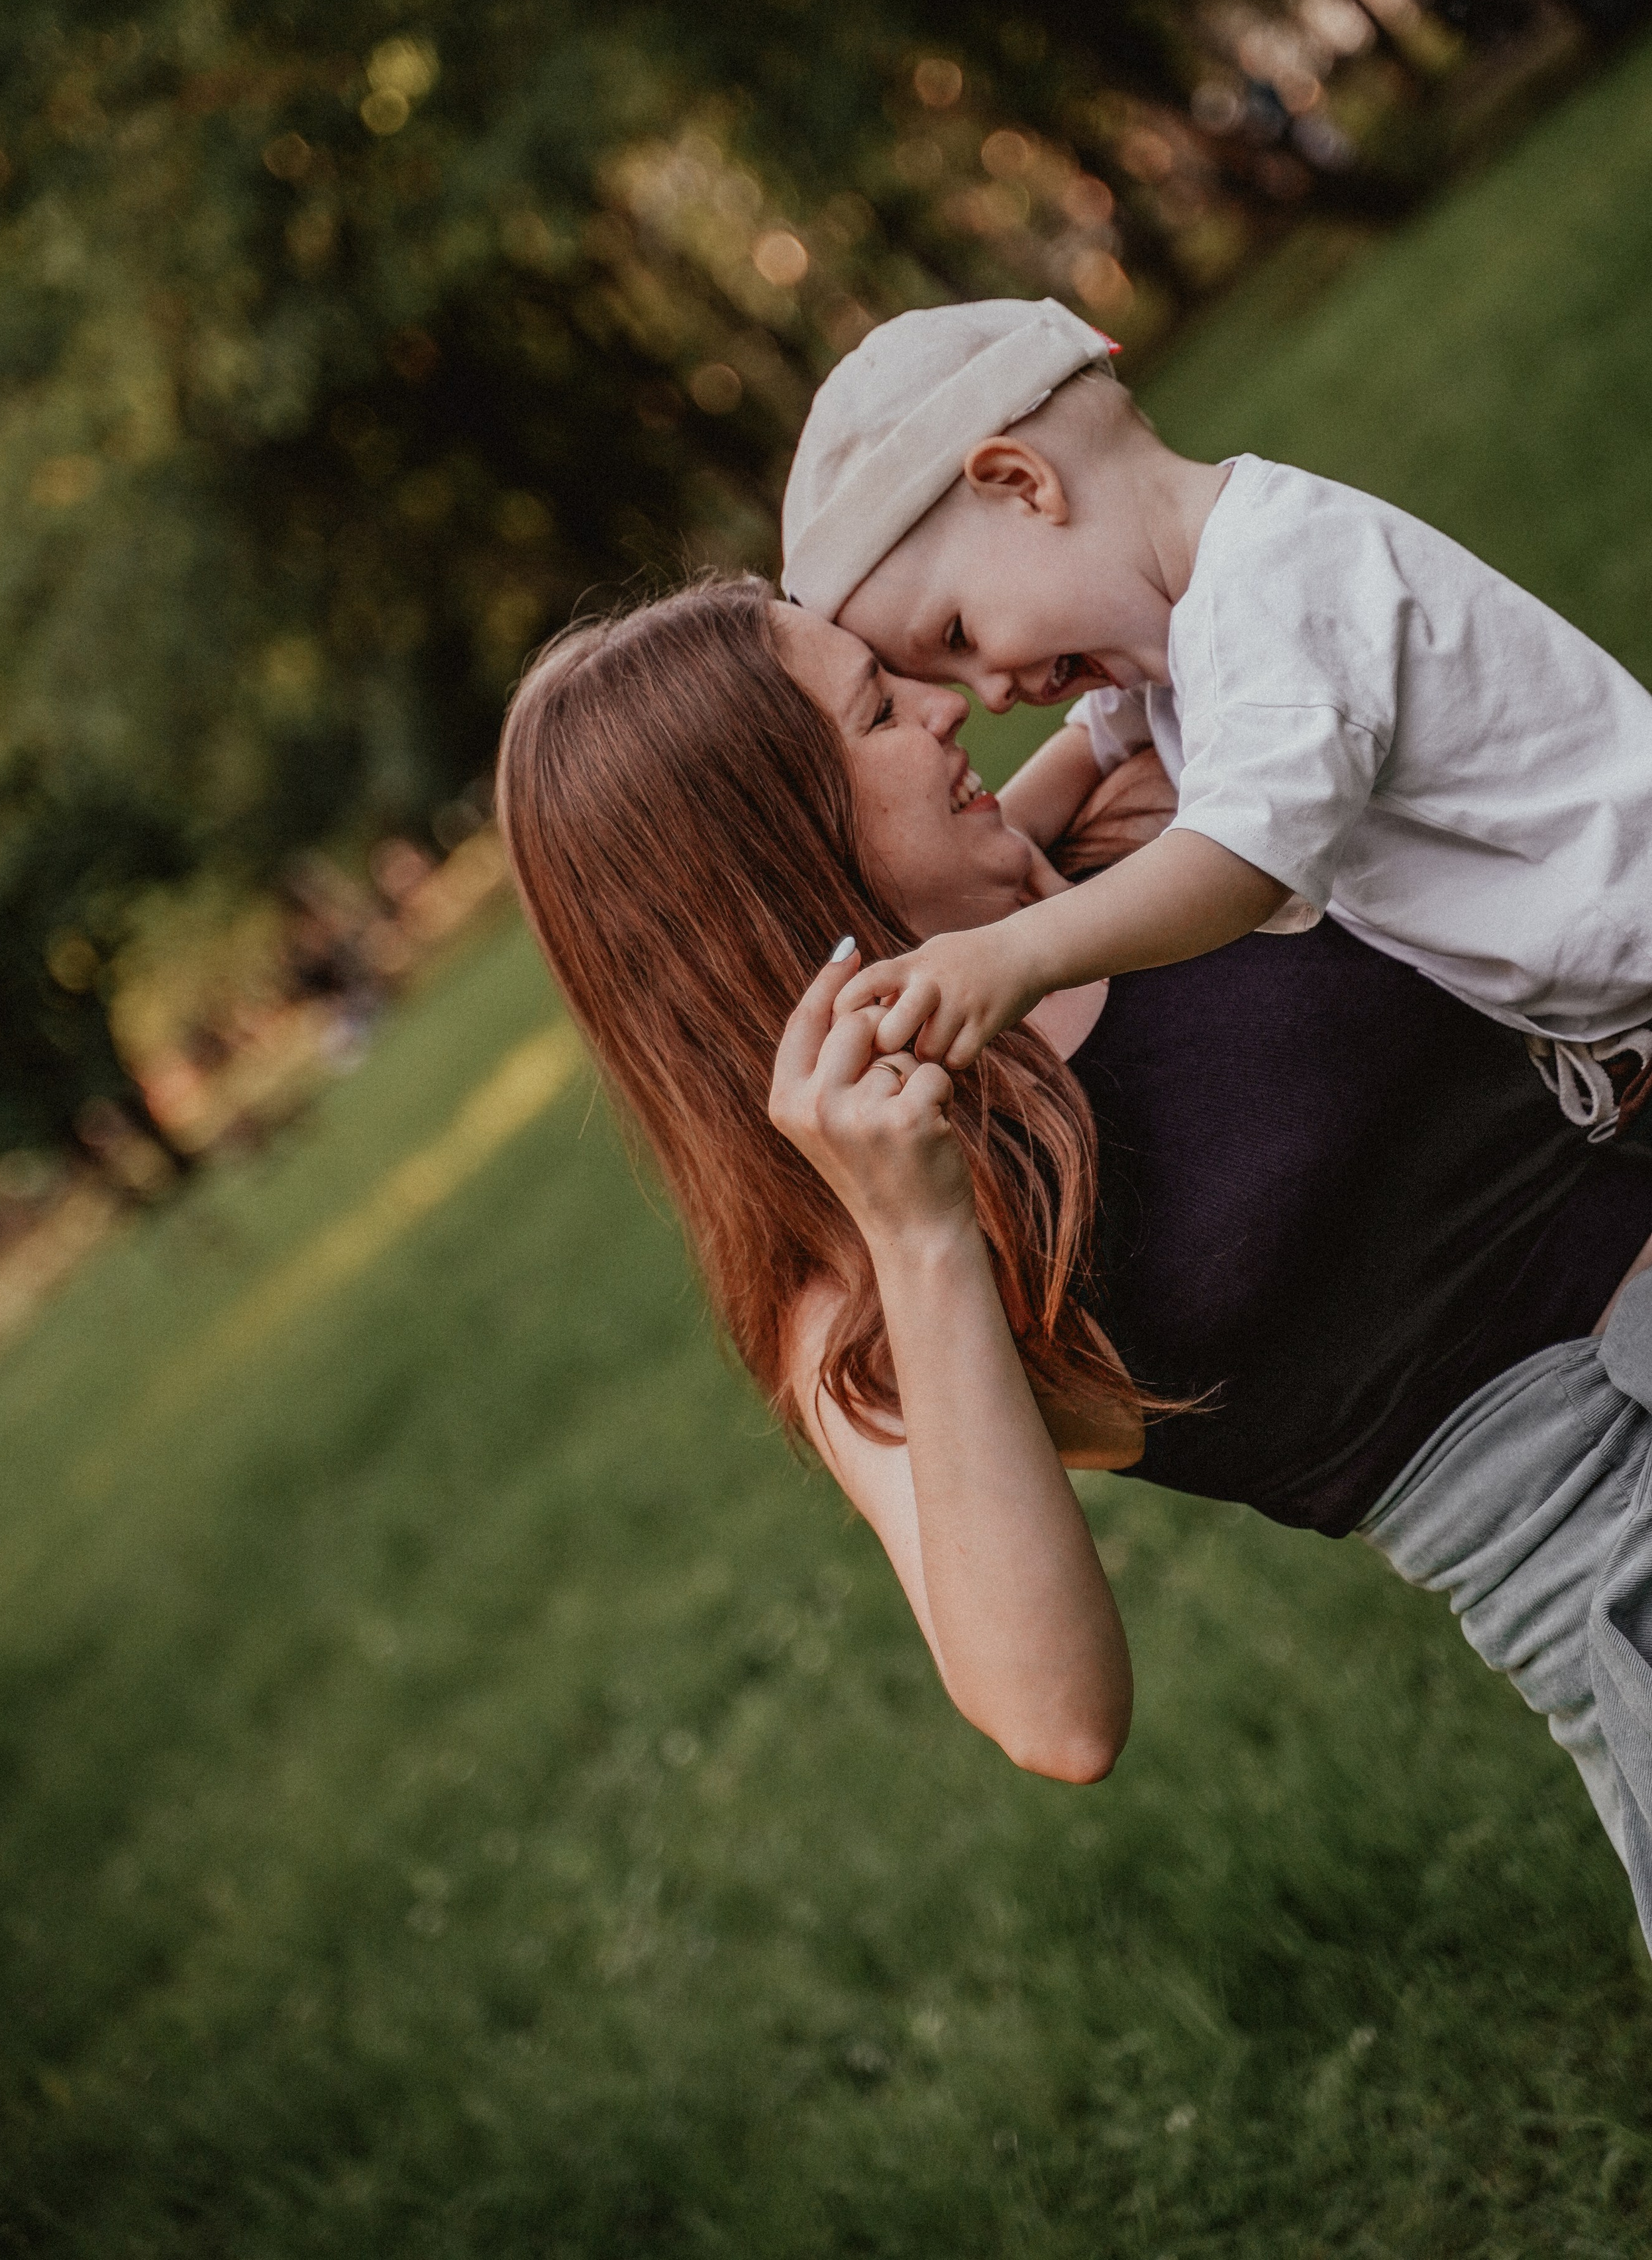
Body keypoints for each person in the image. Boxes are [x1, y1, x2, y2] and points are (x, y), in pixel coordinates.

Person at [499, 576, 1652, 1942]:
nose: (943, 708)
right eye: (878, 711)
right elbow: (1053, 1716)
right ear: (778, 848)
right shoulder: (847, 1273)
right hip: (1600, 1535)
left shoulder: (1141, 841)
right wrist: (919, 1232)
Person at [783, 298, 1652, 1138]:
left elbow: (1238, 862)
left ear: (1023, 485)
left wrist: (1020, 952)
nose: (994, 696)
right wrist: (987, 842)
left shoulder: (1275, 586)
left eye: (960, 636)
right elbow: (1094, 741)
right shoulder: (1184, 629)